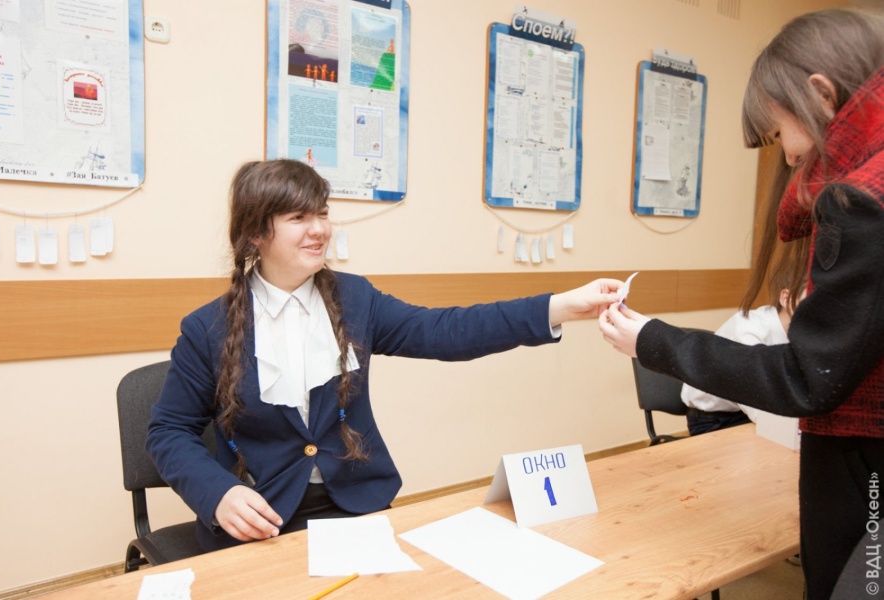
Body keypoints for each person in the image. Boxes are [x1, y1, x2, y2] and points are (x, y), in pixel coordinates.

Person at [147, 158, 623, 552]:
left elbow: (447, 331)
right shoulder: (207, 328)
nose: (319, 230)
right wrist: (219, 494)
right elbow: (168, 431)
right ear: (255, 232)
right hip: (260, 519)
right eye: (298, 218)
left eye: (322, 213)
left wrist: (559, 307)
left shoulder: (355, 299)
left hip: (356, 508)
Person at [598, 9, 883, 599]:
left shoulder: (860, 203)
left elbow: (808, 379)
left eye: (778, 135)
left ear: (820, 95)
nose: (787, 158)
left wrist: (651, 340)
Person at [681, 247, 808, 436]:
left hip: (749, 411)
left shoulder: (805, 333)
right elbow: (754, 399)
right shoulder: (749, 329)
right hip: (713, 419)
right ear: (786, 298)